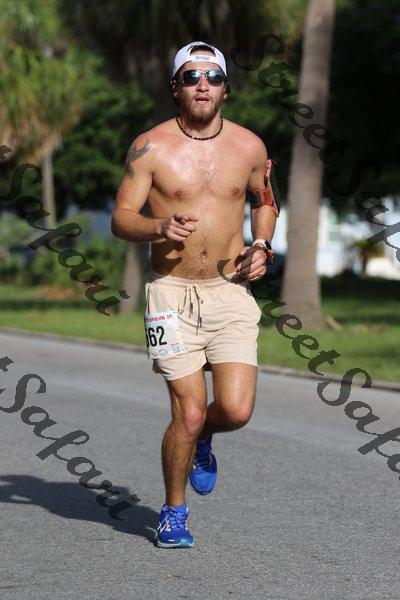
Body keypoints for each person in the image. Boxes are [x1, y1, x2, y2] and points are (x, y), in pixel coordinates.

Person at [111, 41, 280, 549]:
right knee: (186, 410)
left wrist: (262, 245)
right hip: (170, 295)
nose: (202, 85)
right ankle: (173, 511)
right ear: (175, 87)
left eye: (212, 76)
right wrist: (159, 226)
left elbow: (265, 200)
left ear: (226, 87)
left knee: (236, 411)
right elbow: (121, 219)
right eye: (190, 76)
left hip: (230, 292)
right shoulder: (149, 148)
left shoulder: (250, 147)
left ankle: (204, 435)